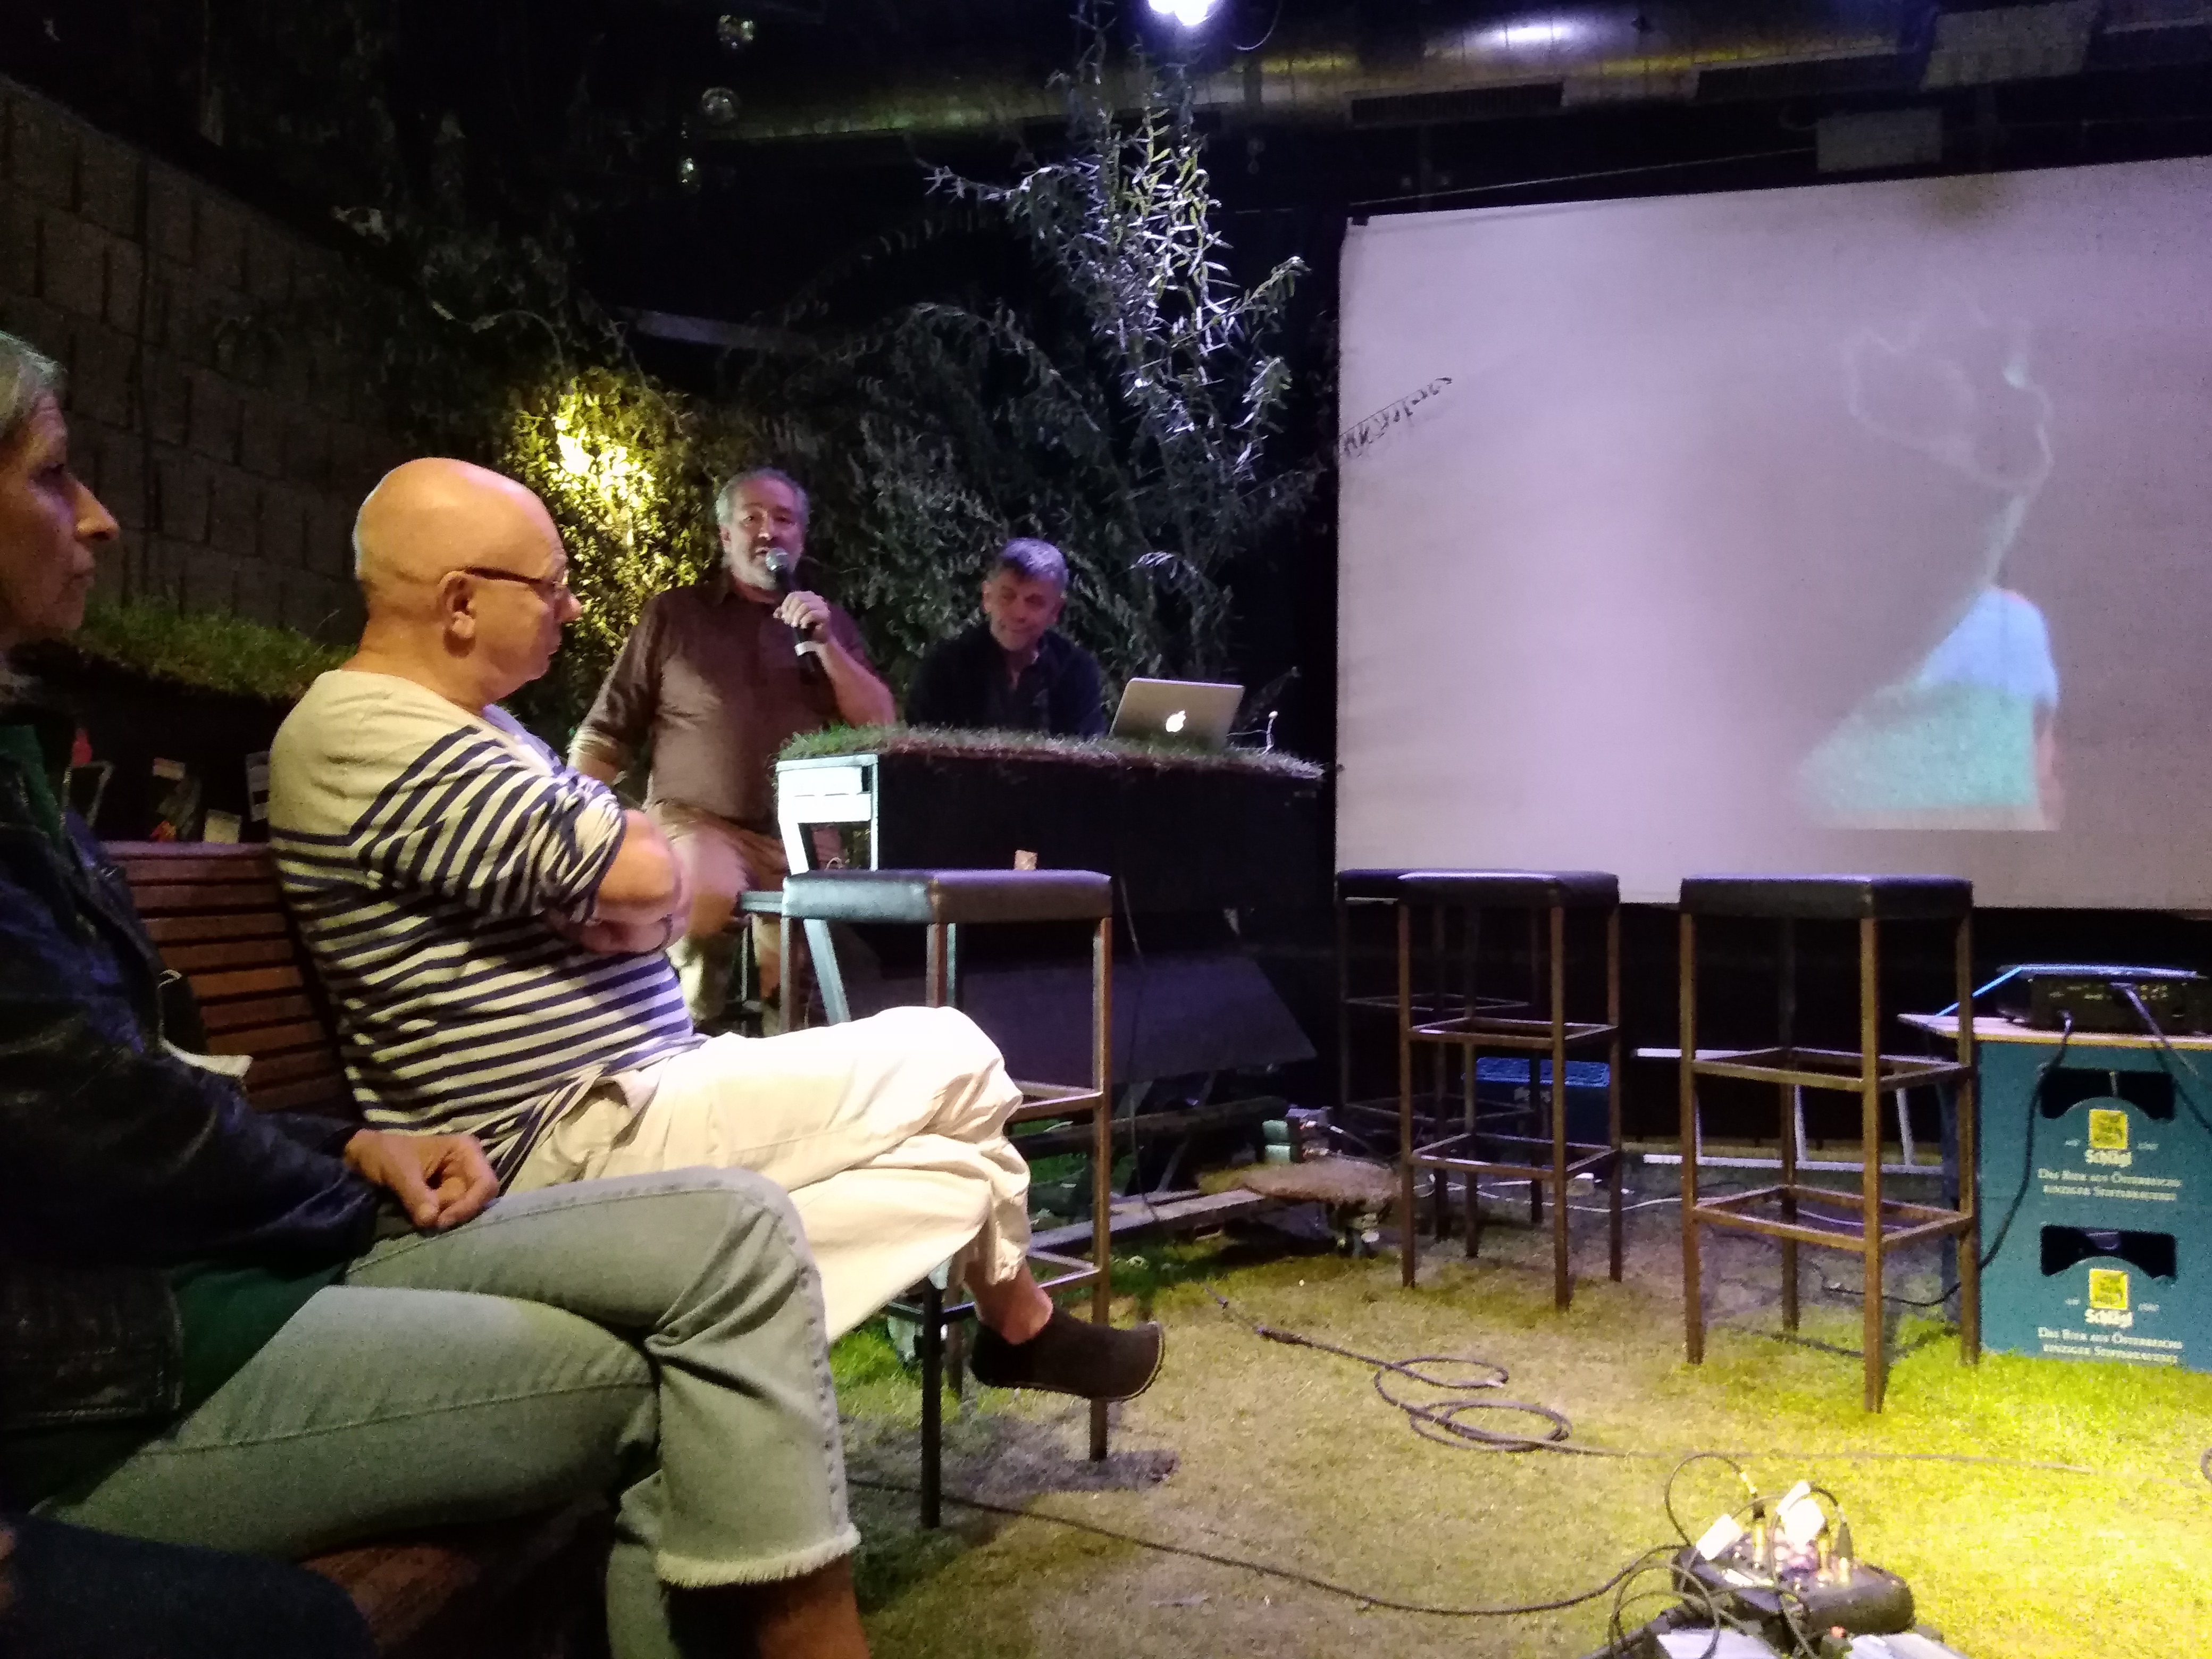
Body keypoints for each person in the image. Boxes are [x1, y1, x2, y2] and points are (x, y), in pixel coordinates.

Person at [0, 329, 876, 1659]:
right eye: (55, 474)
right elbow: (92, 1124)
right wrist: (345, 1174)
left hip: (225, 1259)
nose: (101, 516)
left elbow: (119, 1091)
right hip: (123, 1352)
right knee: (712, 1312)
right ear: (461, 603)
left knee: (790, 1221)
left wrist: (348, 1143)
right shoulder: (368, 726)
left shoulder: (27, 765)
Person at [266, 457, 1163, 1399]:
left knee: (954, 1170)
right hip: (564, 1129)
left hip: (642, 1075)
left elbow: (646, 864)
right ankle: (1003, 1329)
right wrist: (625, 886)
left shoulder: (483, 731)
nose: (571, 607)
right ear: (459, 603)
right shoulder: (377, 731)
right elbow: (650, 866)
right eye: (551, 587)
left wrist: (623, 893)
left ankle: (971, 1329)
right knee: (956, 1054)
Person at [569, 469, 895, 1024]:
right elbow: (610, 728)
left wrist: (826, 647)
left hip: (801, 831)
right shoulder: (675, 615)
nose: (768, 531)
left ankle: (786, 1048)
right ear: (726, 536)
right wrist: (570, 826)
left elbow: (881, 726)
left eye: (784, 519)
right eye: (752, 518)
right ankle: (685, 1029)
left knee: (813, 955)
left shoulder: (829, 624)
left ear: (800, 538)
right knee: (705, 902)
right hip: (698, 821)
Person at [905, 538, 1106, 738]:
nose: (1019, 613)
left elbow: (1088, 751)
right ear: (987, 598)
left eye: (1034, 602)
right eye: (1007, 596)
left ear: (1055, 610)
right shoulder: (945, 666)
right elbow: (919, 747)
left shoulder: (1076, 671)